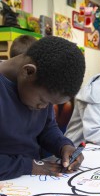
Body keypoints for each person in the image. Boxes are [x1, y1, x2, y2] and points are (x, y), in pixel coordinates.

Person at [0, 36, 86, 180]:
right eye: (43, 100)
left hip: (31, 180)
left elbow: (47, 128)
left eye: (50, 103)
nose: (43, 107)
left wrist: (63, 146)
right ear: (28, 72)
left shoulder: (41, 86)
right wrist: (28, 166)